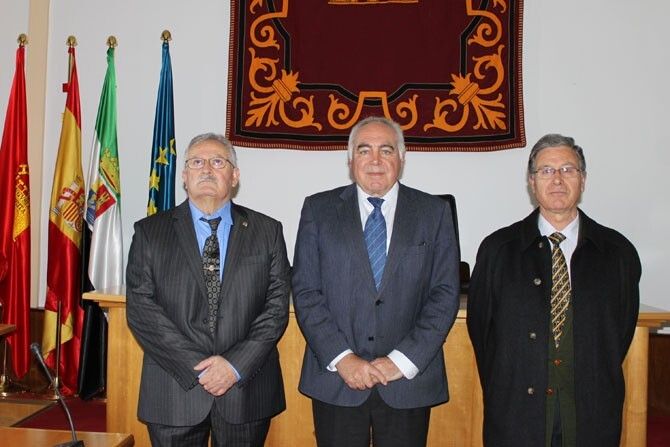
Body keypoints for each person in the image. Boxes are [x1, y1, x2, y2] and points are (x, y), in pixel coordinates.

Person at [292, 116, 461, 447]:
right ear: (350, 159)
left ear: (402, 158)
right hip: (337, 381)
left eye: (386, 150)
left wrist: (401, 361)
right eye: (364, 150)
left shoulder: (434, 212)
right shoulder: (318, 210)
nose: (375, 160)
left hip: (407, 383)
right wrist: (343, 358)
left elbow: (444, 294)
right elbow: (306, 291)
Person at [467, 133, 641, 446]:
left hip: (592, 413)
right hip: (515, 414)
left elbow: (621, 332)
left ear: (583, 180)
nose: (557, 179)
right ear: (531, 182)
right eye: (546, 170)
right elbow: (482, 332)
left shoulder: (617, 252)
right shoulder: (498, 250)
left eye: (568, 170)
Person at [126, 133, 291, 447]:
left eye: (217, 162)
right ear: (184, 176)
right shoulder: (150, 232)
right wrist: (199, 369)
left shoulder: (267, 231)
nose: (206, 169)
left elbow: (276, 308)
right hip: (174, 390)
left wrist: (234, 366)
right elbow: (142, 310)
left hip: (245, 391)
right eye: (196, 162)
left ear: (234, 176)